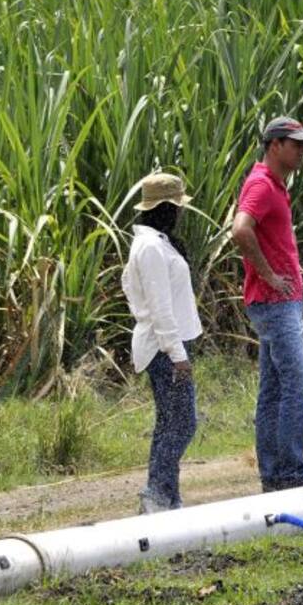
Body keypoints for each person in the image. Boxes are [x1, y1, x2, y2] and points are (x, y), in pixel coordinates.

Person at [231, 116, 303, 492]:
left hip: (277, 302)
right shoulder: (262, 185)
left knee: (273, 390)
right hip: (274, 302)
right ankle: (290, 472)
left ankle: (273, 473)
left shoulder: (274, 184)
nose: (302, 150)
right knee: (298, 385)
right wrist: (268, 274)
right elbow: (240, 229)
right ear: (274, 145)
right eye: (296, 143)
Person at [122, 172, 203, 513]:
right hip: (163, 347)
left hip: (167, 345)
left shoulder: (155, 242)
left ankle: (167, 497)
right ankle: (156, 492)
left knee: (171, 421)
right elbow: (160, 308)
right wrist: (177, 354)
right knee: (183, 422)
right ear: (167, 208)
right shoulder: (152, 248)